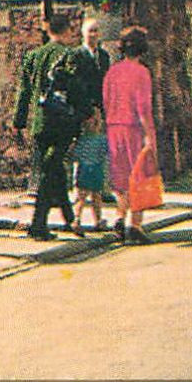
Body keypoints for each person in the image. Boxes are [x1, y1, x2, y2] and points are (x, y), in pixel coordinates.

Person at [12, 12, 81, 240]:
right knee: (50, 169)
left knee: (53, 167)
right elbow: (74, 89)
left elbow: (24, 91)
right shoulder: (68, 56)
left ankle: (70, 219)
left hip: (39, 123)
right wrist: (86, 115)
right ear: (66, 31)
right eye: (72, 30)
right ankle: (38, 224)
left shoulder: (33, 57)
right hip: (61, 122)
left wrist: (19, 121)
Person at [104, 25, 159, 244]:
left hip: (114, 127)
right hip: (134, 129)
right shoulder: (142, 73)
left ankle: (119, 216)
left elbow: (107, 102)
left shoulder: (112, 72)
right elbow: (143, 109)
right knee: (140, 177)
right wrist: (150, 136)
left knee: (121, 176)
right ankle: (135, 225)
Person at [66, 17, 111, 235]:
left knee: (97, 167)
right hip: (84, 118)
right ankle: (76, 217)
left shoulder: (103, 56)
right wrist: (87, 112)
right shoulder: (76, 55)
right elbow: (76, 87)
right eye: (89, 31)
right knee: (84, 167)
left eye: (96, 31)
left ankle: (98, 218)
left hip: (99, 117)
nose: (93, 35)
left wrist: (102, 112)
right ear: (82, 34)